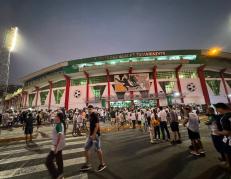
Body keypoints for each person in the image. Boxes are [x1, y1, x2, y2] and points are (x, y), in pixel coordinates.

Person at [80, 105, 106, 172]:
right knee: (86, 148)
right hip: (91, 135)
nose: (89, 110)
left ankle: (102, 164)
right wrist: (89, 134)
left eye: (90, 109)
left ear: (93, 109)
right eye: (88, 109)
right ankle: (87, 164)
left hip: (95, 135)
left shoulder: (95, 115)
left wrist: (94, 135)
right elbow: (91, 126)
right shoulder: (90, 115)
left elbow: (97, 126)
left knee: (98, 149)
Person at [46, 112, 65, 179]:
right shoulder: (59, 124)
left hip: (55, 146)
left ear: (58, 117)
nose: (54, 117)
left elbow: (60, 135)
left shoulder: (59, 125)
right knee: (59, 160)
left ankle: (56, 175)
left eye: (55, 116)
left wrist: (56, 147)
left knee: (48, 161)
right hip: (58, 145)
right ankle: (61, 174)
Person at [214, 103, 231, 169]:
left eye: (217, 109)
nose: (217, 111)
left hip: (229, 140)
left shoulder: (225, 117)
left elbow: (227, 132)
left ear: (220, 108)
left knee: (228, 153)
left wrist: (218, 132)